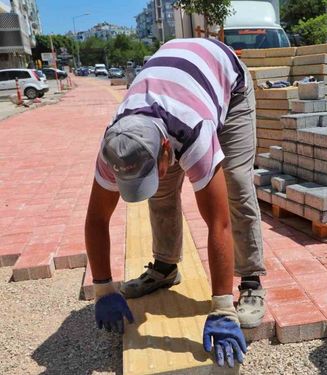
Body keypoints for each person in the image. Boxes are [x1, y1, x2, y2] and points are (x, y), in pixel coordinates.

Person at [85, 37, 267, 368]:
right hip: (173, 93)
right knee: (162, 190)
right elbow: (97, 219)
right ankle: (166, 268)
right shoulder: (115, 144)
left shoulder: (194, 129)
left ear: (166, 150)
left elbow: (219, 222)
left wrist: (222, 308)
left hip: (229, 85)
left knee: (236, 186)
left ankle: (251, 281)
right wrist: (102, 288)